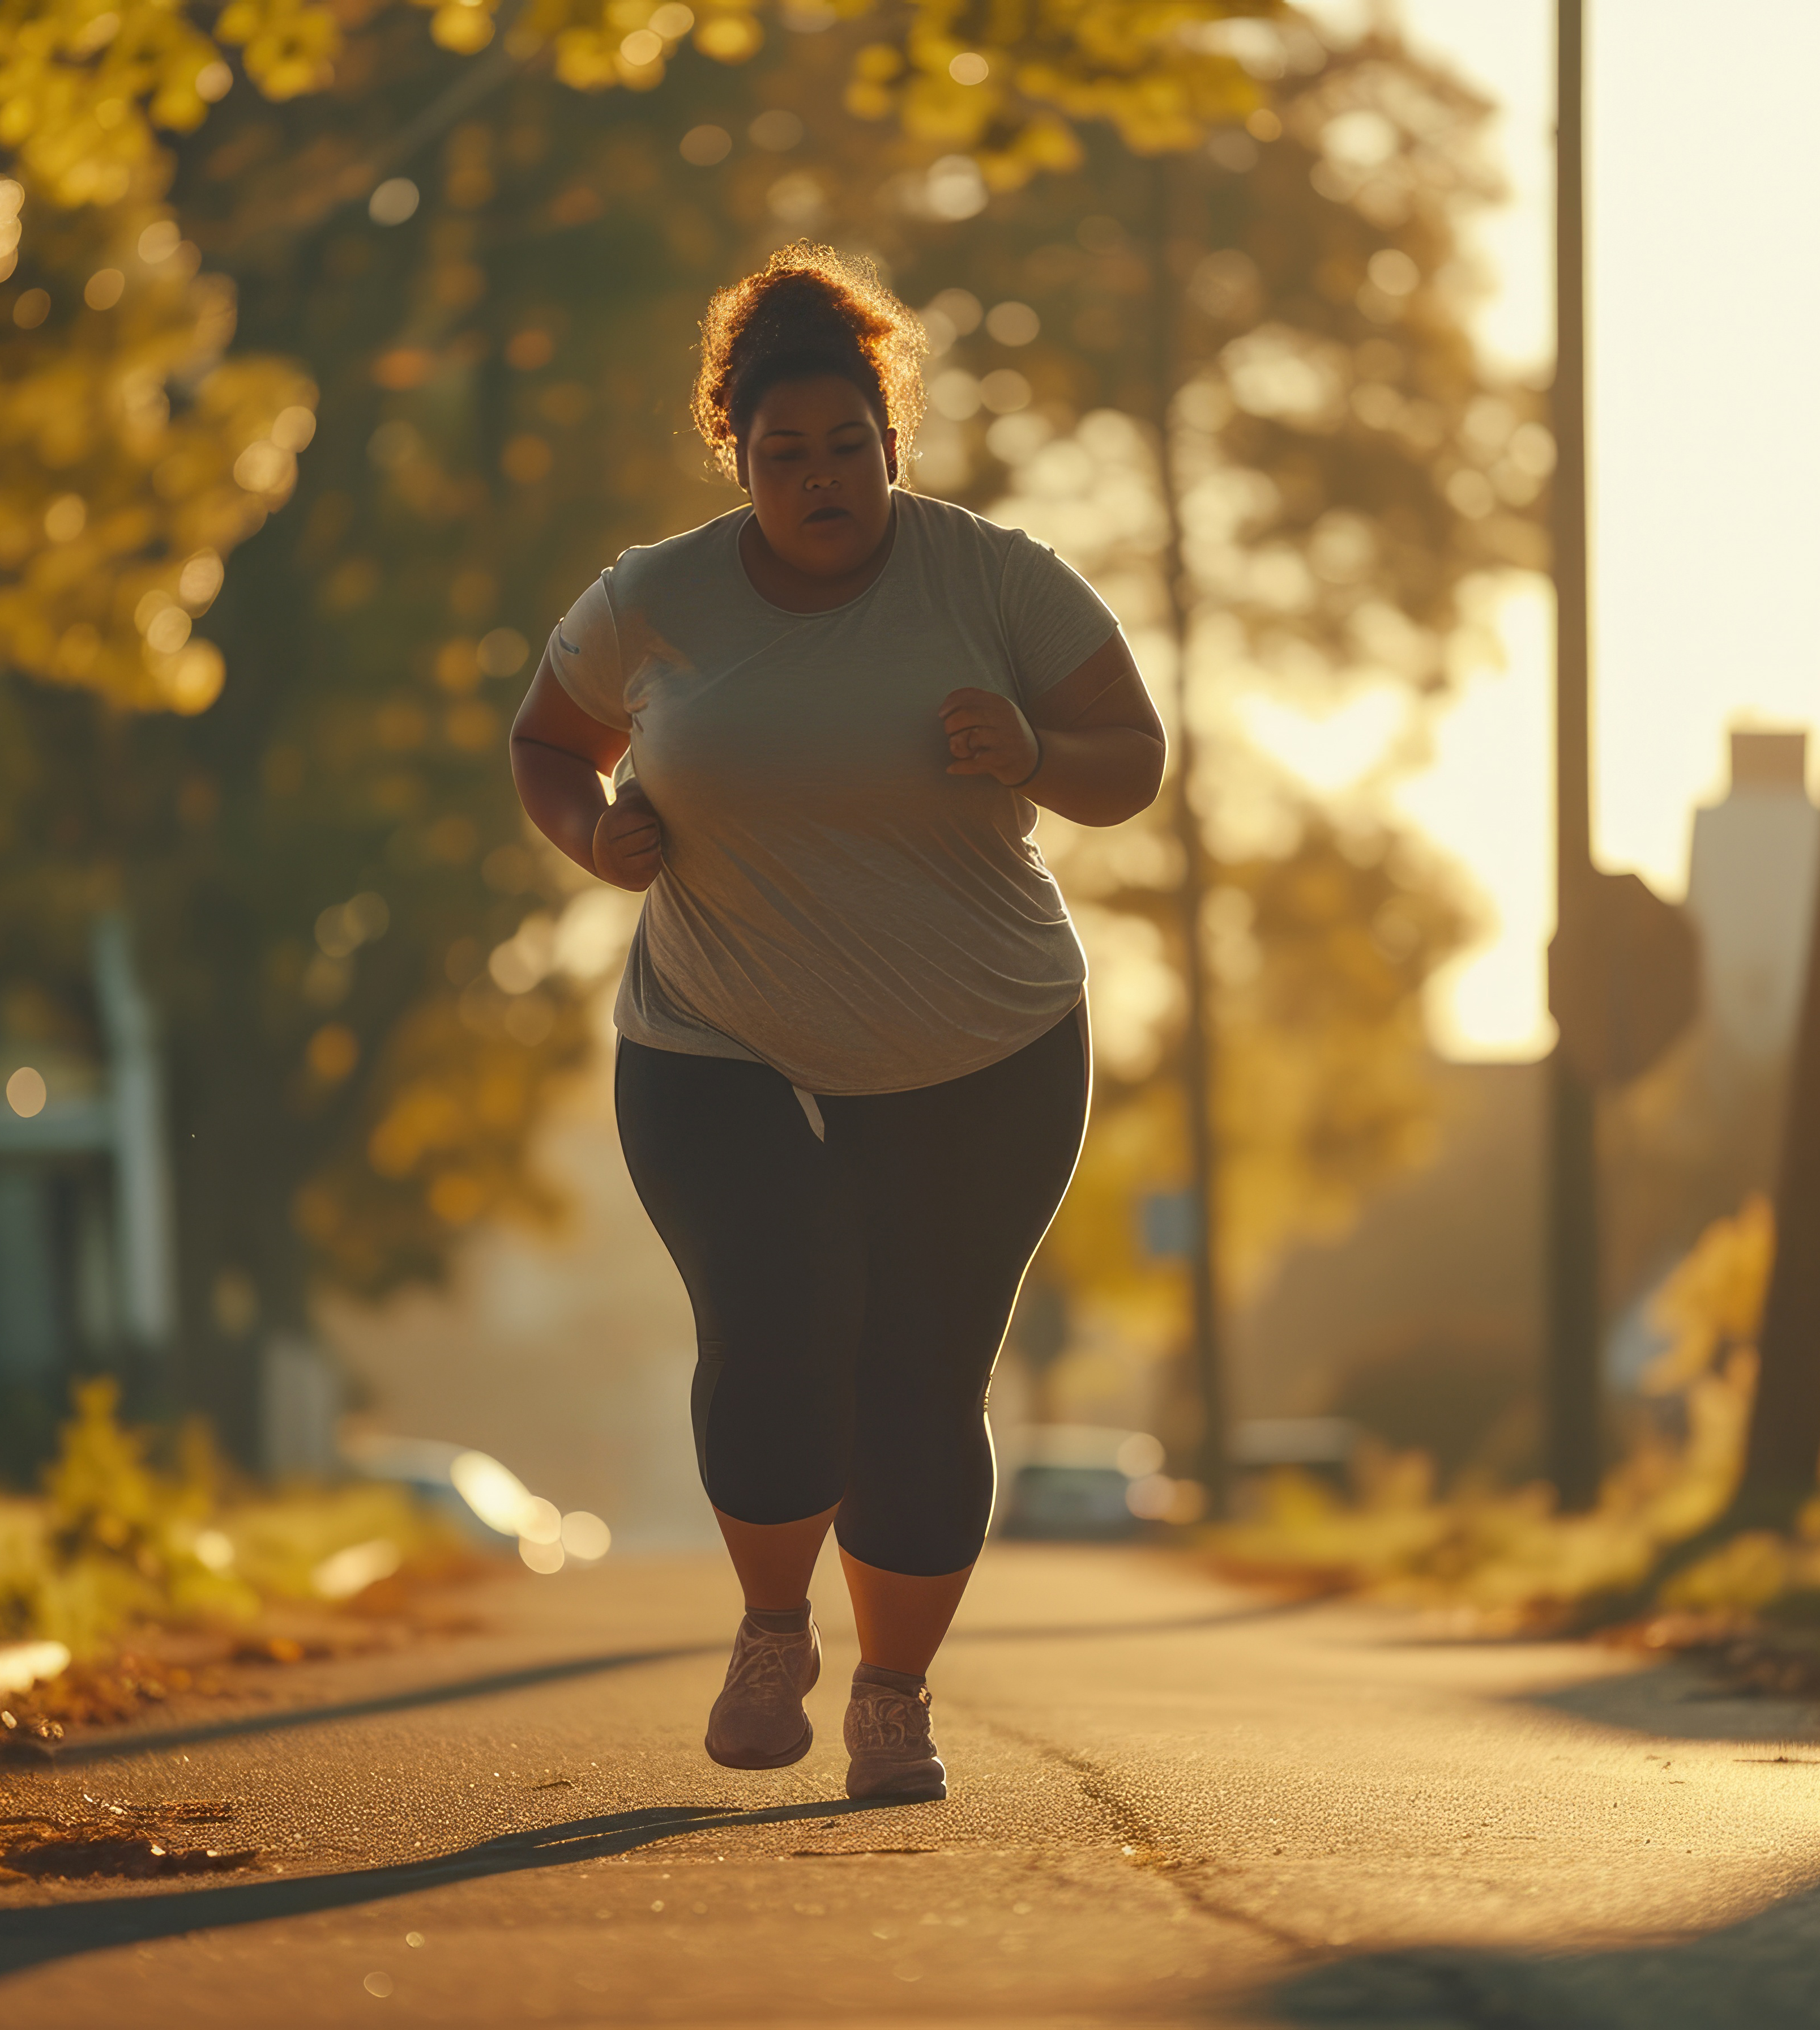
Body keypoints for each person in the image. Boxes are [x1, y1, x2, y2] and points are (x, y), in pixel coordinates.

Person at [507, 244, 1165, 1801]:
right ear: (735, 458)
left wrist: (1031, 749)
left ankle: (894, 1694)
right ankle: (766, 1628)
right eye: (782, 453)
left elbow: (1128, 758)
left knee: (921, 1382)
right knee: (780, 1318)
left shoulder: (992, 576)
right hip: (717, 1038)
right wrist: (593, 834)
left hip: (989, 1045)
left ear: (894, 446)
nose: (819, 479)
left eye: (847, 448)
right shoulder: (652, 598)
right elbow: (548, 741)